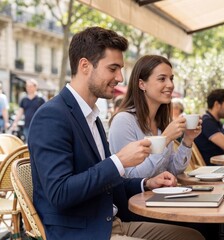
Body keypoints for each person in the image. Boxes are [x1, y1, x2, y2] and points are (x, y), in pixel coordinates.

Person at [28, 26, 204, 240]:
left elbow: (104, 182)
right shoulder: (52, 116)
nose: (120, 77)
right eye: (113, 68)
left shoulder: (92, 117)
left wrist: (146, 183)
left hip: (112, 223)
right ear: (85, 66)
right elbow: (60, 193)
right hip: (83, 233)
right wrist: (119, 161)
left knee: (193, 236)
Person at [109, 55, 201, 178]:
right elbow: (132, 177)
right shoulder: (123, 121)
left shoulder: (161, 121)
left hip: (160, 196)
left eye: (171, 78)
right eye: (162, 79)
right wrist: (165, 139)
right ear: (142, 84)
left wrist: (188, 140)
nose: (170, 85)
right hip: (136, 197)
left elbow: (173, 170)